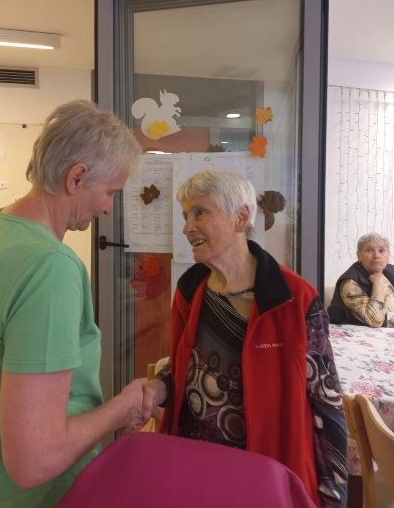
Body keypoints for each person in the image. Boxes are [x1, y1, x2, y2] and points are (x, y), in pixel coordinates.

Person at [0, 100, 149, 507]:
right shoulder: (50, 267)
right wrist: (122, 407)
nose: (108, 207)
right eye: (109, 192)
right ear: (76, 177)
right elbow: (34, 461)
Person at [142, 170, 347, 508]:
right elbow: (181, 371)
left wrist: (334, 497)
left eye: (200, 212)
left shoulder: (295, 298)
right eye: (185, 215)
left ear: (240, 218)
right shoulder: (190, 288)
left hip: (267, 478)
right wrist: (158, 387)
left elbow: (327, 403)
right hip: (194, 469)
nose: (186, 227)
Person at [328, 233, 394, 327]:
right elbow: (374, 320)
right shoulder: (350, 282)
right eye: (369, 250)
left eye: (381, 250)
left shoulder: (392, 271)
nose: (376, 255)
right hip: (367, 333)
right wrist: (378, 284)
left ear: (388, 254)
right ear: (359, 255)